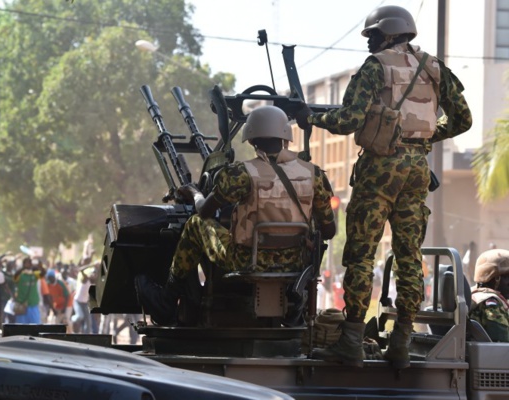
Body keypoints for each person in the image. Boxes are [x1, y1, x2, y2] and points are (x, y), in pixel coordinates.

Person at [295, 5, 472, 368]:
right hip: (416, 169)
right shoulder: (435, 67)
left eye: (373, 35)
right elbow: (463, 119)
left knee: (361, 255)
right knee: (410, 257)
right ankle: (402, 343)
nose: (370, 43)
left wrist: (310, 117)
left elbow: (348, 120)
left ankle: (351, 341)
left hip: (379, 170)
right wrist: (420, 138)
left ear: (388, 33)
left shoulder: (376, 67)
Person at [135, 105, 337, 326]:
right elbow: (329, 230)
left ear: (250, 140)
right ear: (286, 138)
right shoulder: (312, 173)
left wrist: (193, 192)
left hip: (245, 261)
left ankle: (167, 300)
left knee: (195, 224)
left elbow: (205, 211)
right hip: (296, 264)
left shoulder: (241, 173)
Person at [469, 249, 509, 342]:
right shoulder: (491, 304)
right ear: (494, 278)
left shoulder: (474, 295)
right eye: (507, 277)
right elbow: (502, 342)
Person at [13, 257, 42, 324]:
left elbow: (43, 273)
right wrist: (23, 268)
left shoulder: (35, 274)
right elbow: (14, 277)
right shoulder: (20, 275)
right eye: (26, 263)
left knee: (35, 326)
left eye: (29, 262)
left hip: (33, 305)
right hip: (22, 306)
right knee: (21, 328)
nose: (28, 264)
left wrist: (39, 266)